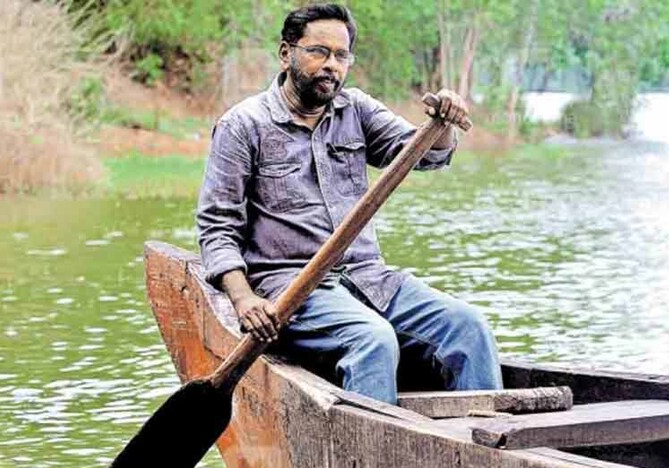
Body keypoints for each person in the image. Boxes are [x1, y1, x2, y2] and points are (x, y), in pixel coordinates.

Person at [196, 4, 503, 404]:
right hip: (293, 290)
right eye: (318, 52)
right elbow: (217, 229)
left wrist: (442, 125)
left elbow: (423, 154)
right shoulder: (243, 125)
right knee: (373, 340)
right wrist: (244, 298)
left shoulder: (356, 110)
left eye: (341, 56)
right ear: (286, 54)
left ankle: (489, 449)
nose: (331, 66)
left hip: (369, 278)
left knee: (469, 326)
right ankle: (374, 461)